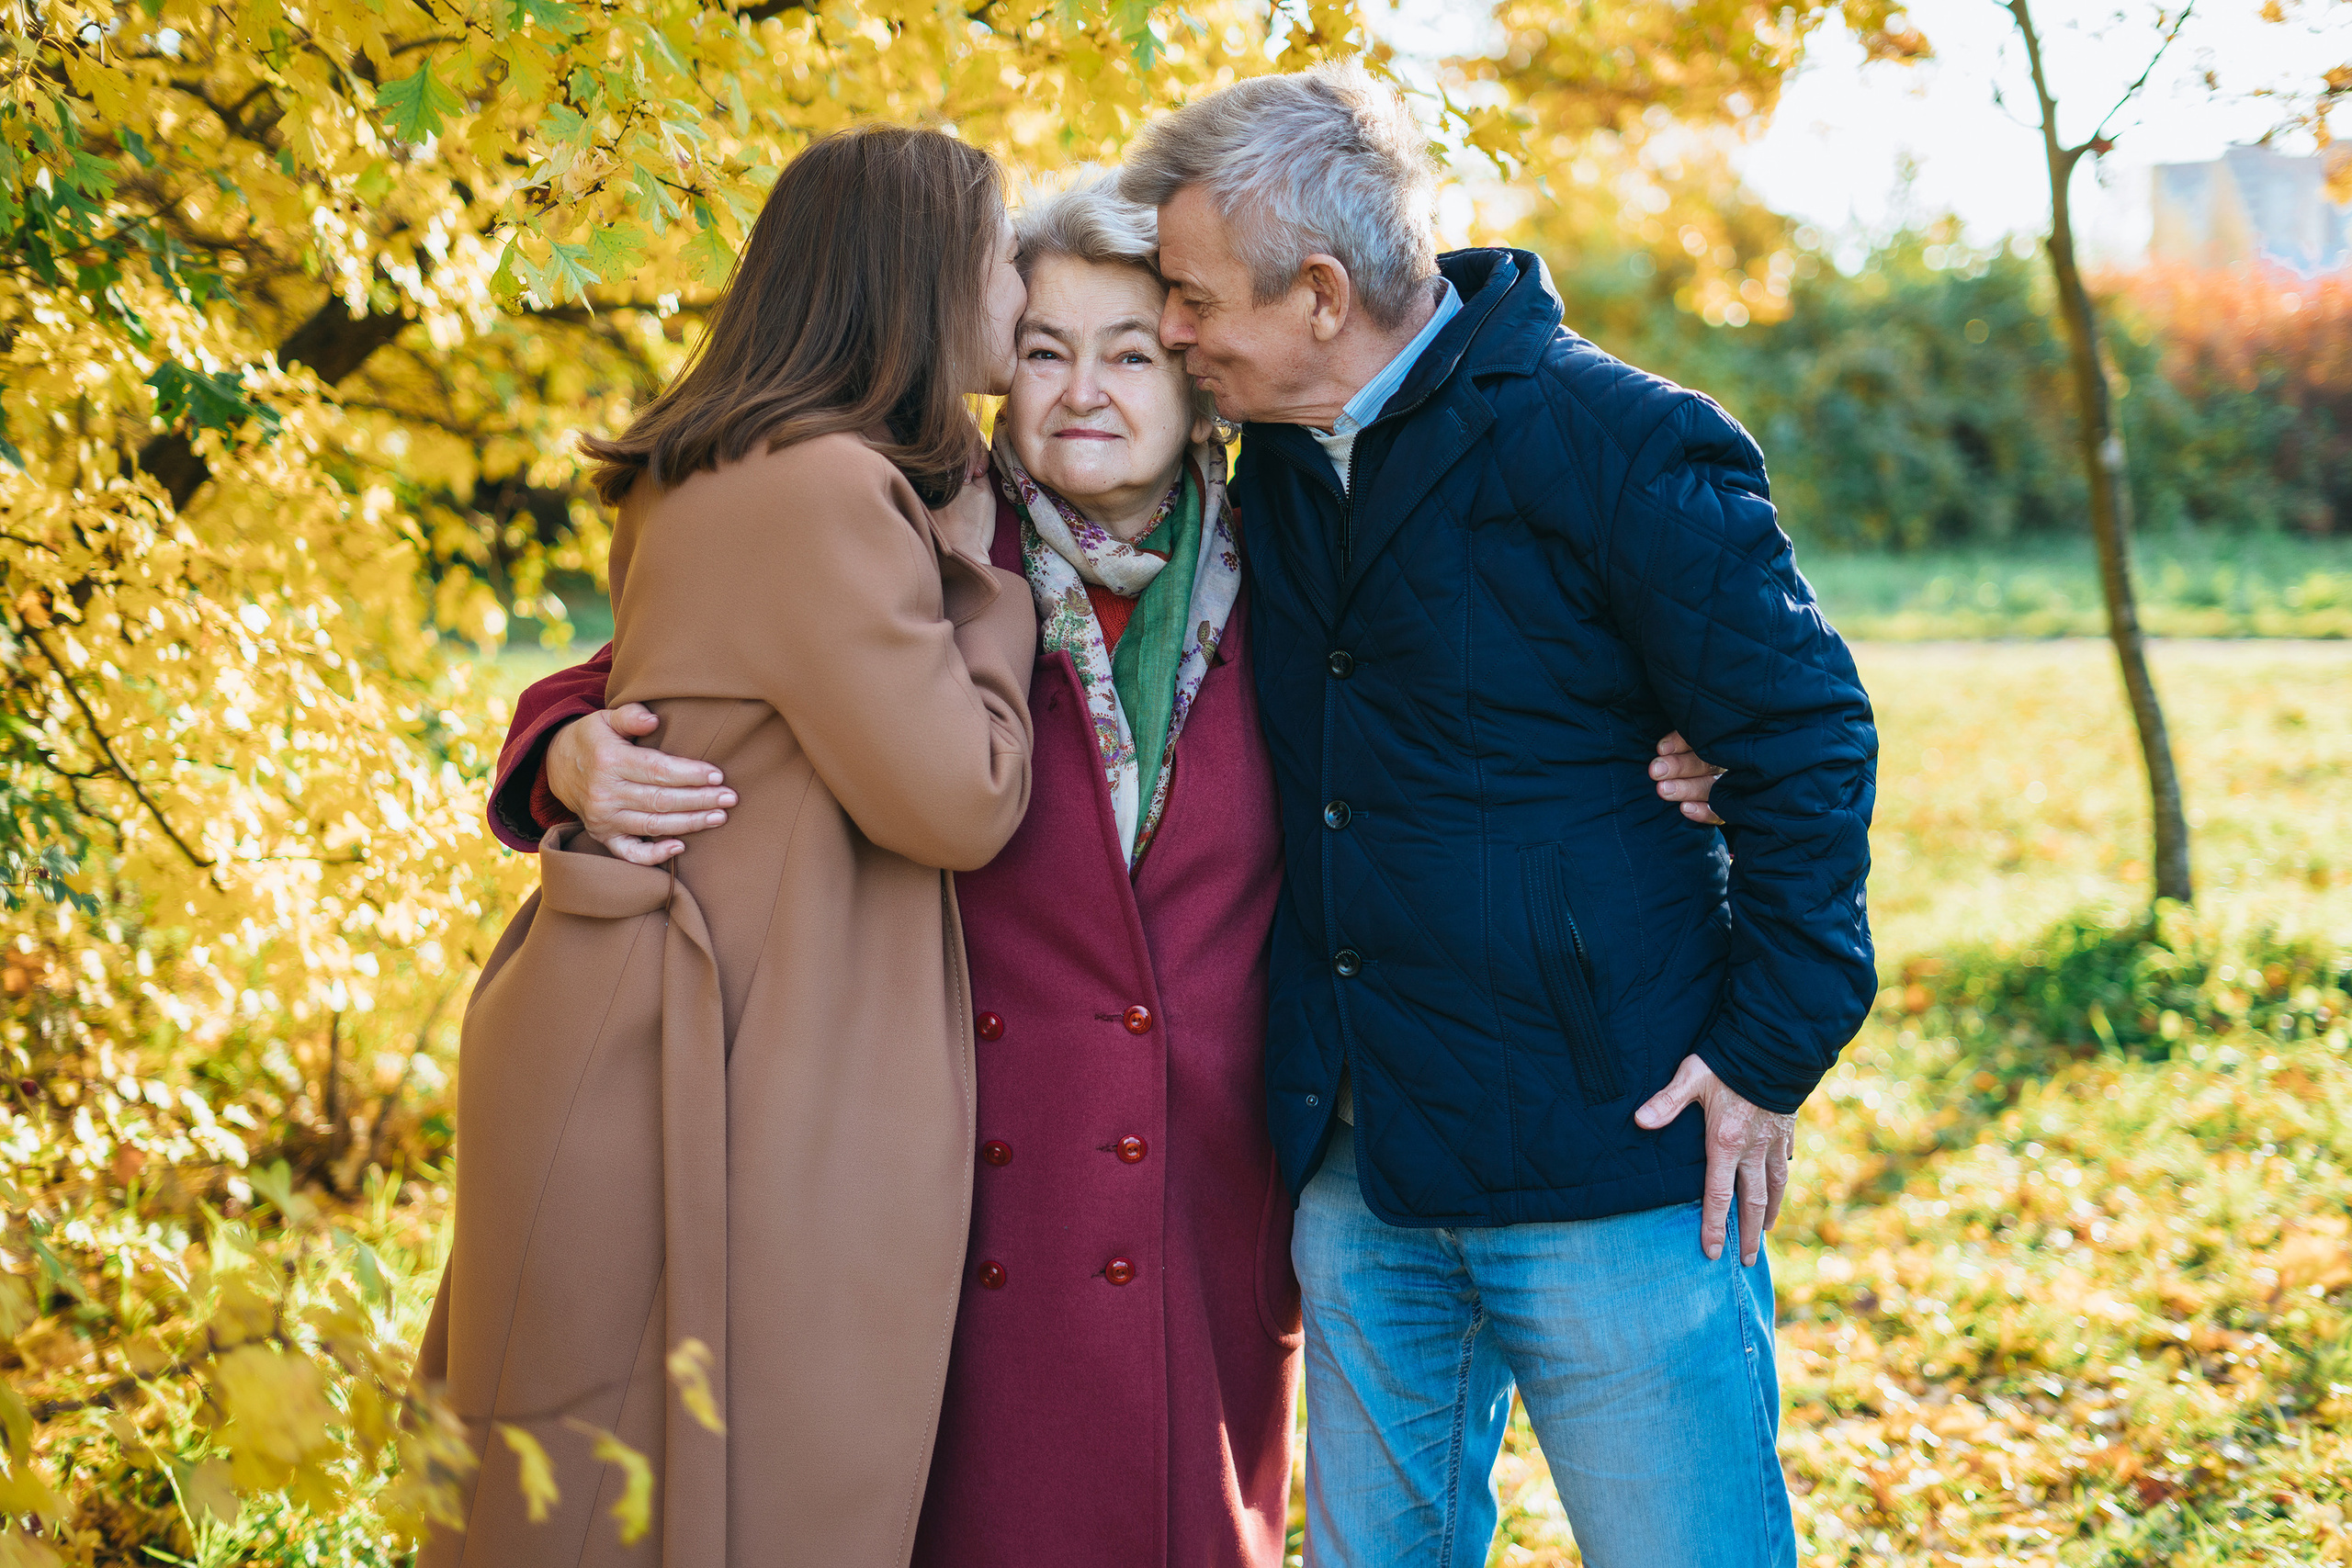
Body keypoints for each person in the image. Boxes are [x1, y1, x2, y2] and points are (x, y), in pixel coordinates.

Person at [488, 178, 1724, 1564]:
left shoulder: (1303, 558)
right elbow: (682, 645)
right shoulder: (921, 536)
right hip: (966, 1193)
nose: (1084, 391)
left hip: (1207, 1194)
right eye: (1044, 349)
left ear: (1197, 382)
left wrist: (1697, 746)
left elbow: (1503, 681)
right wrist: (565, 747)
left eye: (1131, 352)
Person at [1114, 62, 1878, 1568]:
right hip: (1363, 1175)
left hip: (1612, 1170)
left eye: (1194, 300)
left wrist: (1767, 1051)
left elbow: (1806, 738)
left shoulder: (1617, 442)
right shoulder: (1263, 472)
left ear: (1321, 294)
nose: (1175, 332)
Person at [415, 126, 1035, 1568]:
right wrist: (987, 577)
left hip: (627, 1017)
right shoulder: (829, 491)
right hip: (710, 1041)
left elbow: (655, 678)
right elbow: (960, 799)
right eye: (1003, 256)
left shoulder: (705, 468)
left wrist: (555, 743)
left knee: (588, 1482)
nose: (1021, 286)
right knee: (710, 1473)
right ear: (925, 277)